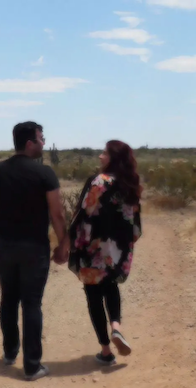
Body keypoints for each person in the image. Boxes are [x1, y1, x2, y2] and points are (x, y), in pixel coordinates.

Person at [0, 121, 69, 381]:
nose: (44, 143)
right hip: (34, 247)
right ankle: (32, 366)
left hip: (4, 245)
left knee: (9, 298)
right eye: (41, 139)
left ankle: (10, 352)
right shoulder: (44, 174)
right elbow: (57, 213)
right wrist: (64, 244)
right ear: (30, 143)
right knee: (32, 303)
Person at [68, 140, 142, 366]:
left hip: (93, 247)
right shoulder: (130, 185)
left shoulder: (99, 181)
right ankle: (116, 328)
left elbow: (85, 212)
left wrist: (71, 242)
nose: (100, 157)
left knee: (93, 295)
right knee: (111, 287)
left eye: (104, 153)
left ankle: (106, 351)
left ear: (112, 158)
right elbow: (135, 224)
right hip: (116, 249)